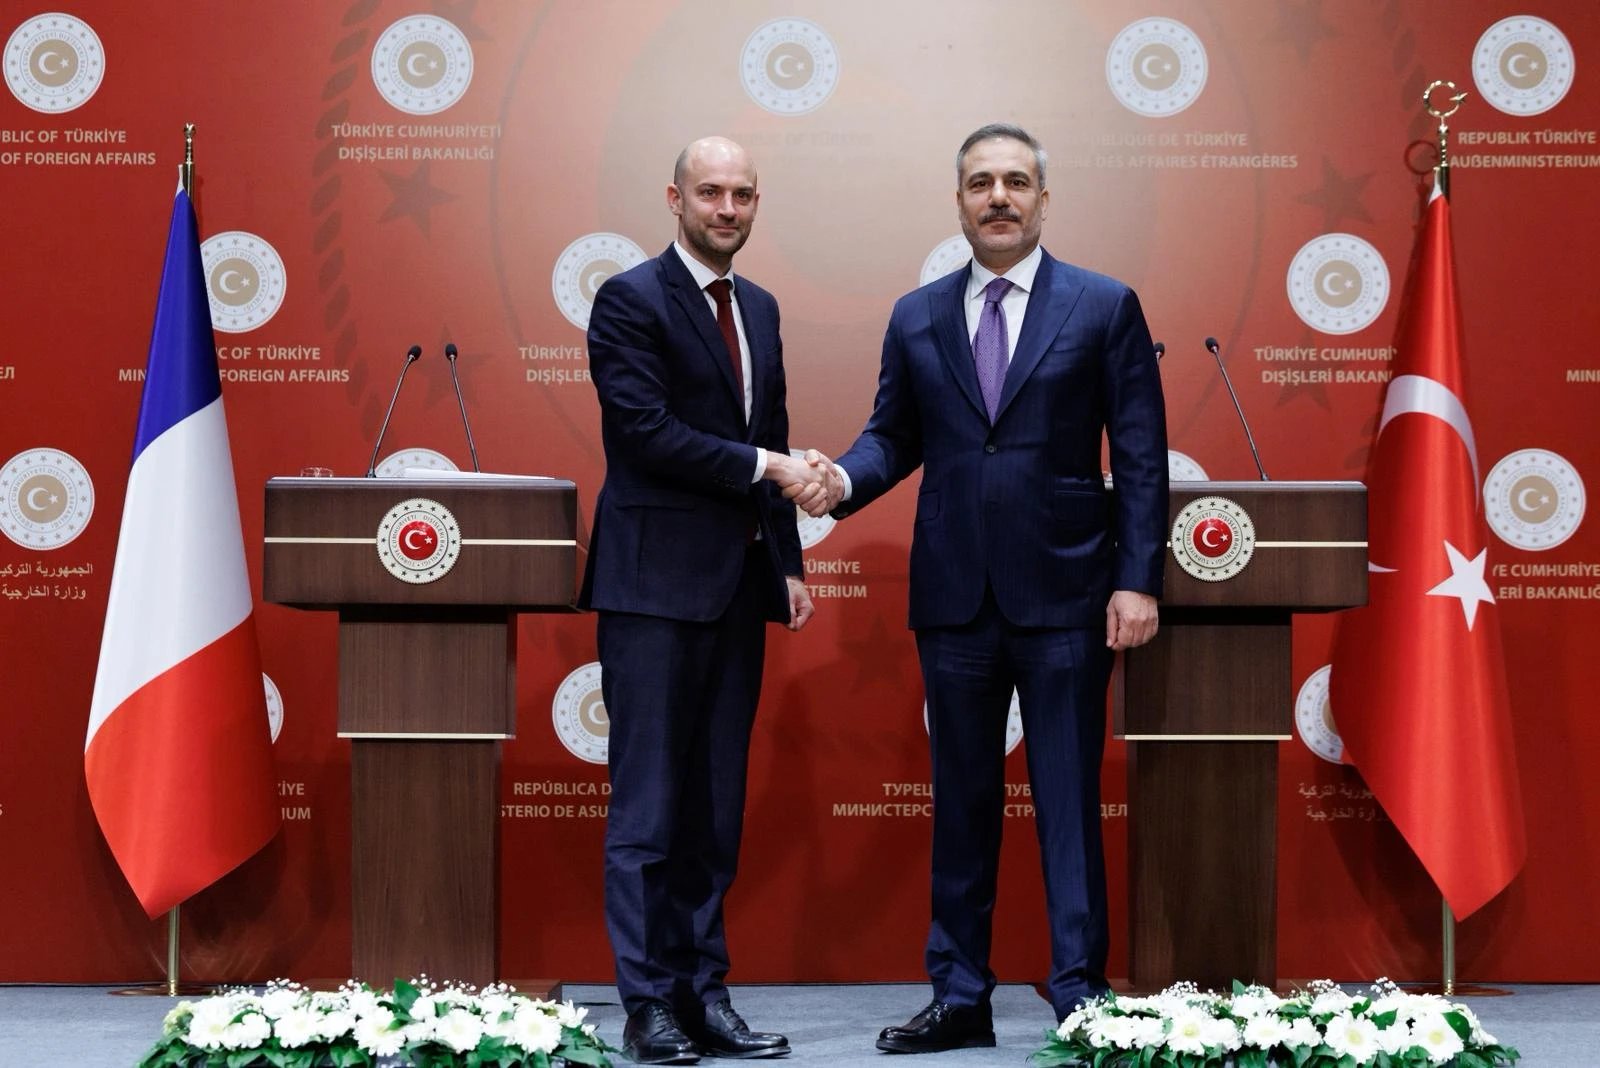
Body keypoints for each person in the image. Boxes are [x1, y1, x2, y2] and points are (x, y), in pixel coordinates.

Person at [798, 122, 1168, 1051]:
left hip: (1069, 595)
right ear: (958, 200)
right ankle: (960, 996)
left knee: (1068, 804)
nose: (998, 197)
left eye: (1014, 182)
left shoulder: (1104, 305)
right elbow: (894, 437)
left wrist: (1137, 580)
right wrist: (841, 481)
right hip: (955, 599)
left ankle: (1080, 996)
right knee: (961, 807)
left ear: (1044, 198)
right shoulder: (916, 315)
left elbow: (1140, 455)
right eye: (979, 183)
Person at [580, 135, 824, 1064]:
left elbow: (774, 430)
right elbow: (645, 433)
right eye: (711, 192)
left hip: (736, 588)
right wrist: (768, 466)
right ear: (674, 198)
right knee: (648, 812)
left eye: (743, 194)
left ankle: (703, 995)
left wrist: (788, 562)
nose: (727, 208)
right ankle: (648, 1006)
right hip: (651, 589)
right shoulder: (629, 298)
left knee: (714, 813)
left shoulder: (758, 307)